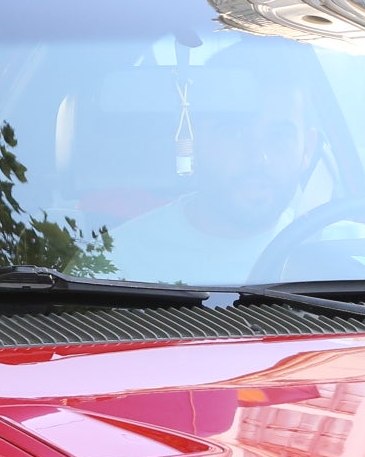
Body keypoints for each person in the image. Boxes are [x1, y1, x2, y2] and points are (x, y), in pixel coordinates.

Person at [102, 50, 333, 283]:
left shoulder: (344, 247)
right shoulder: (115, 264)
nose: (259, 157)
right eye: (234, 132)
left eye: (280, 135)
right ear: (194, 141)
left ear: (308, 149)